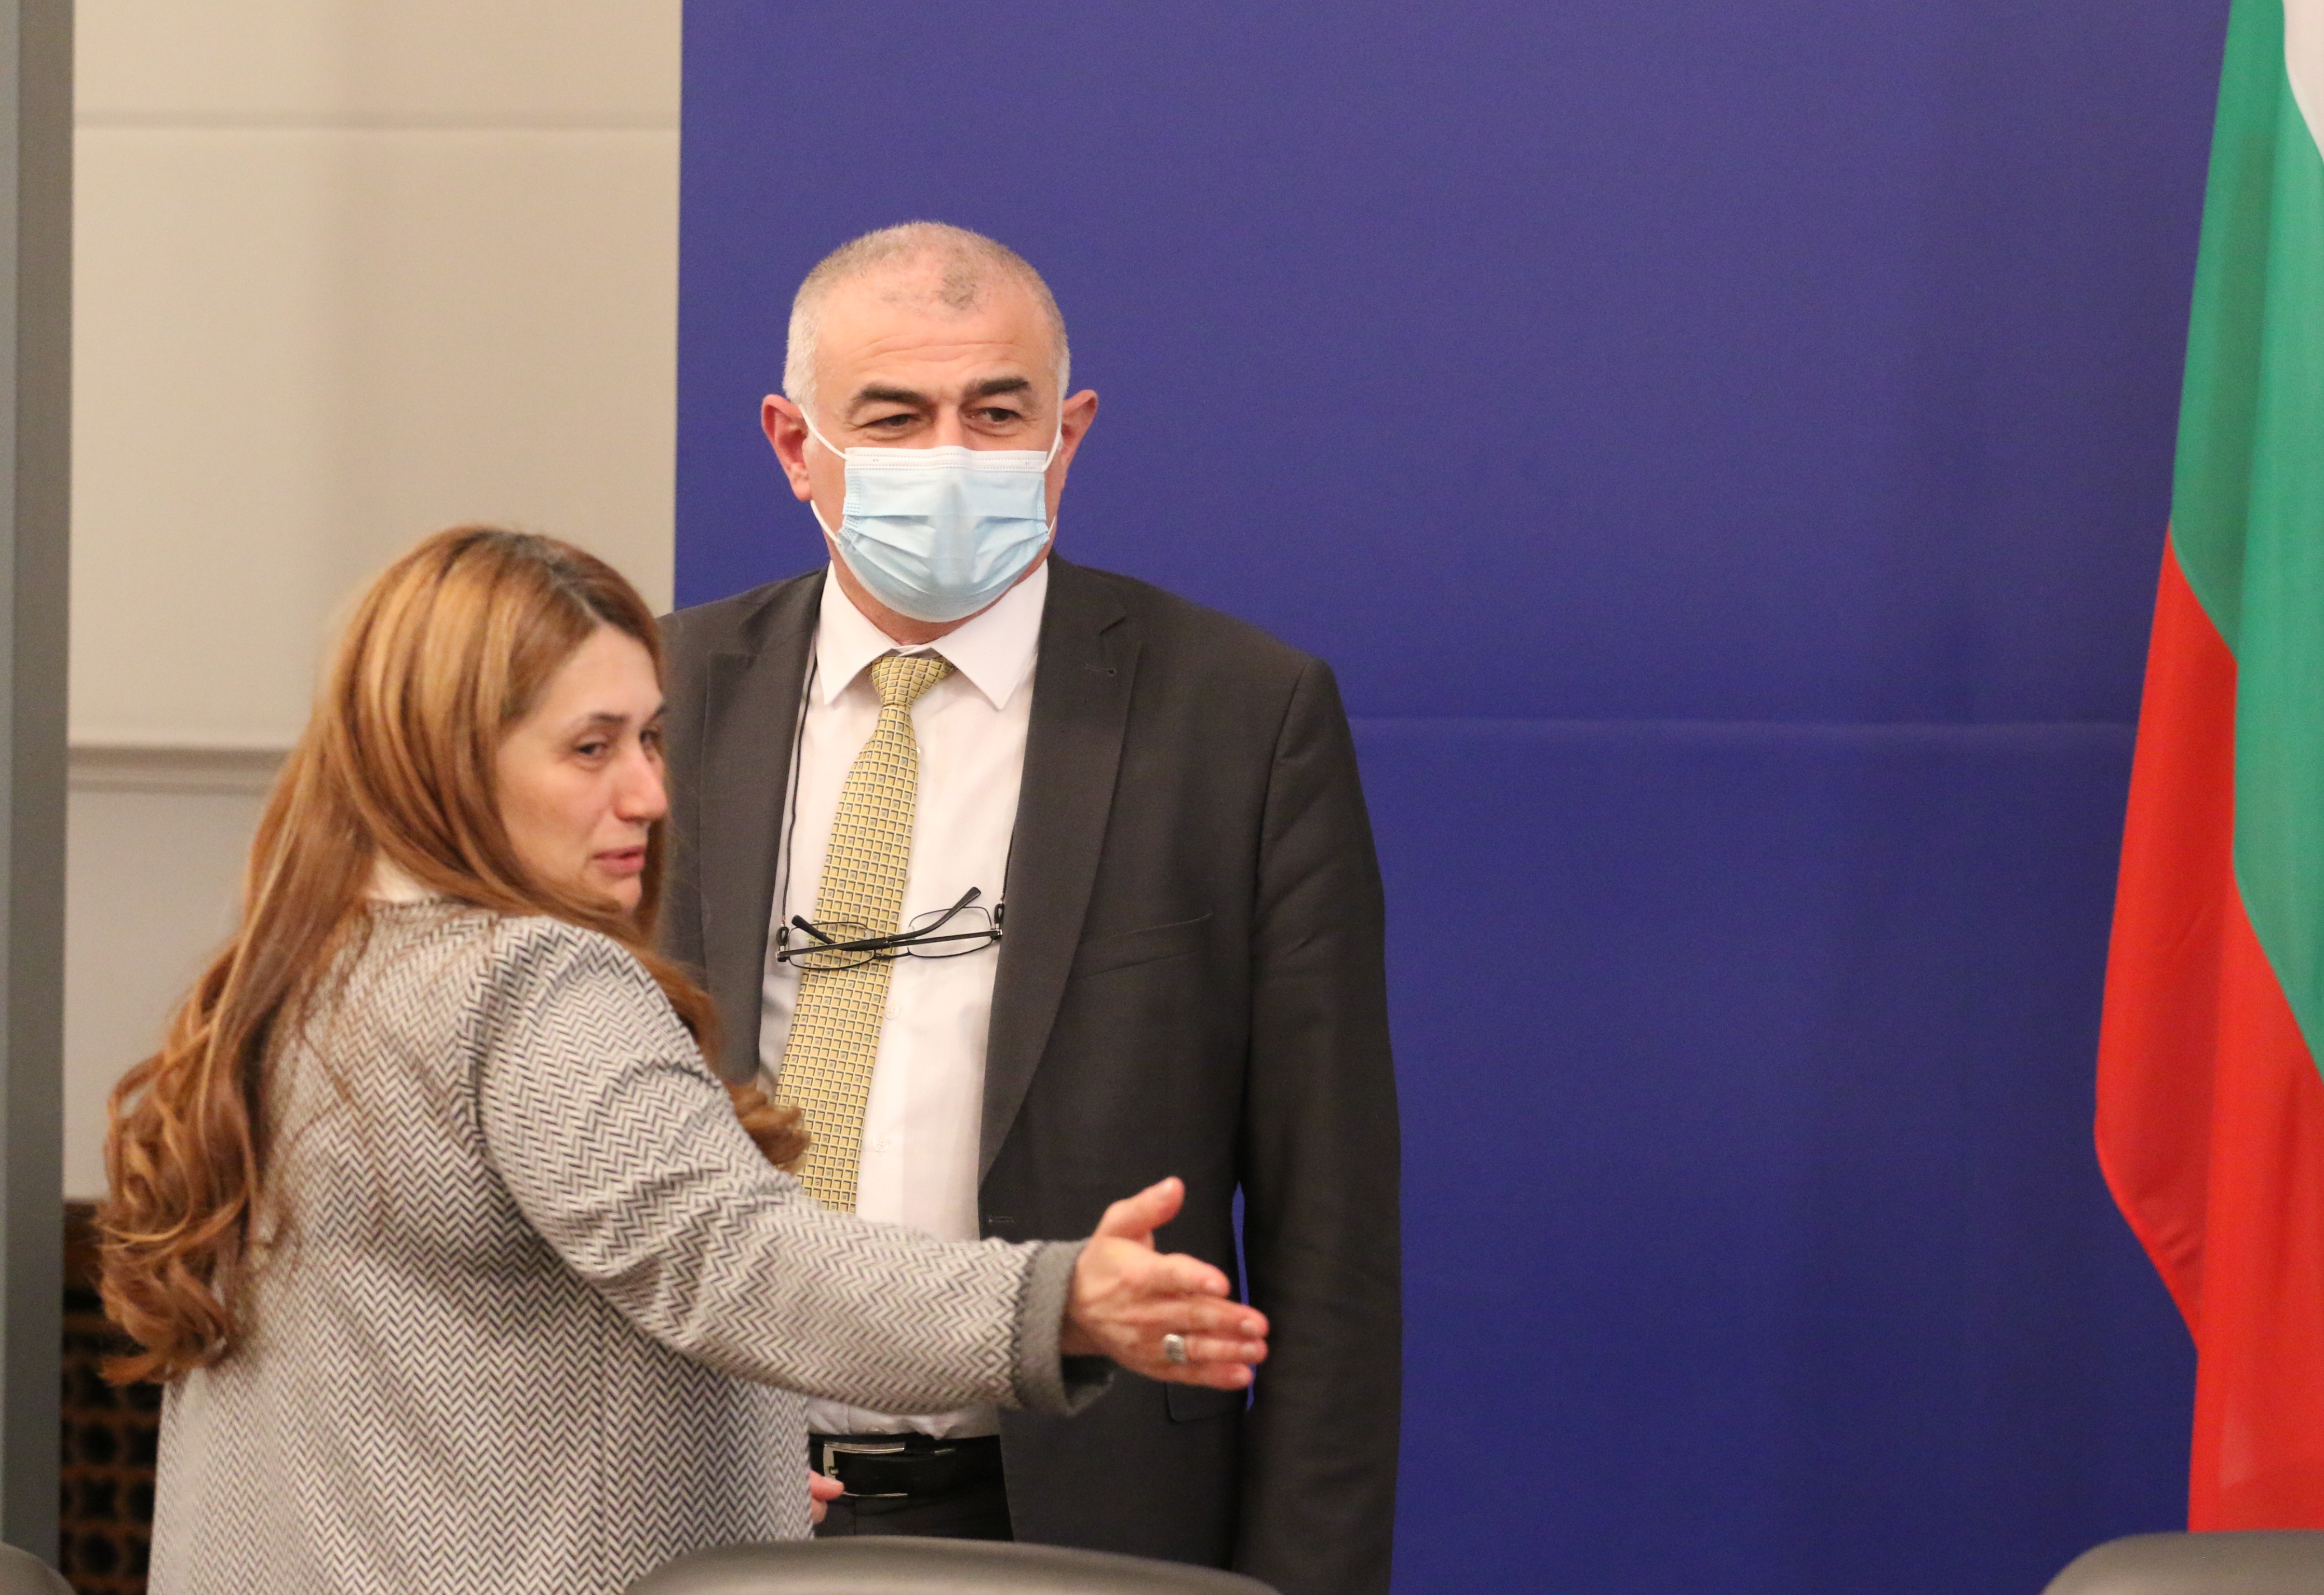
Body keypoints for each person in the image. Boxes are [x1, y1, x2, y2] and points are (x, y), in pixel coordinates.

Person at [96, 528, 1264, 1595]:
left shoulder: (283, 979)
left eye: (651, 738)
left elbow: (415, 1375)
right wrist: (1054, 1300)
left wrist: (725, 1459)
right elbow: (731, 1255)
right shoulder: (531, 982)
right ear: (441, 761)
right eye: (590, 748)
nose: (650, 794)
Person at [659, 222, 1400, 1594]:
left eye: (996, 415)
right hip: (705, 1494)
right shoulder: (658, 696)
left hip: (1079, 1511)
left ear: (1067, 435)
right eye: (895, 417)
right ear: (792, 443)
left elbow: (1330, 1225)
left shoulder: (1240, 715)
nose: (950, 456)